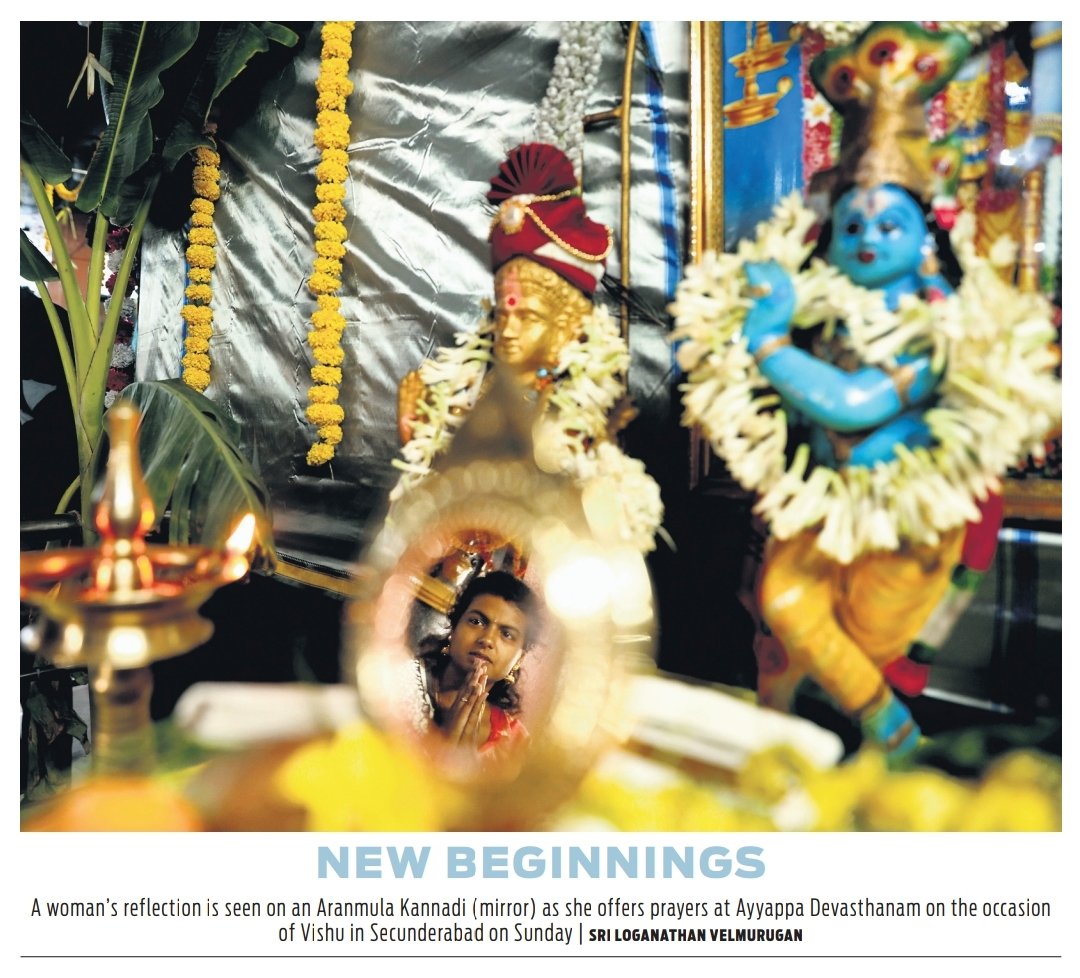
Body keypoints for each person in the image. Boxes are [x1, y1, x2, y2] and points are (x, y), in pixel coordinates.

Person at [416, 571, 537, 768]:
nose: (487, 640)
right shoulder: (401, 683)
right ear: (453, 628)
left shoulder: (515, 744)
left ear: (519, 659)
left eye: (507, 634)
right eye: (476, 621)